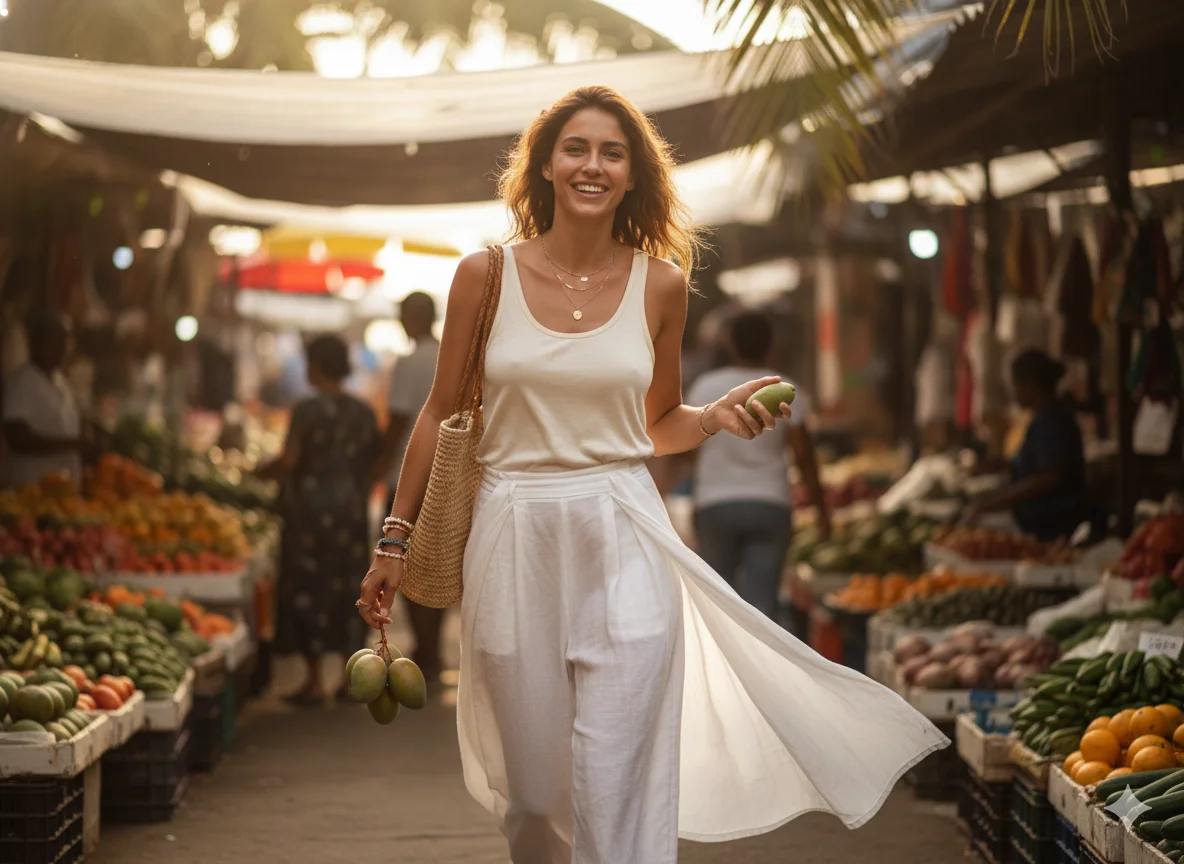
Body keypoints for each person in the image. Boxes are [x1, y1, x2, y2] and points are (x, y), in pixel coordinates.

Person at [356, 85, 948, 863]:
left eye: (612, 152)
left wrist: (712, 420)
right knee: (532, 797)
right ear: (544, 166)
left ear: (633, 176)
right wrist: (392, 541)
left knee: (617, 780)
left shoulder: (660, 283)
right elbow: (436, 413)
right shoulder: (484, 276)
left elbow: (656, 421)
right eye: (576, 148)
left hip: (622, 524)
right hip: (513, 525)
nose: (592, 165)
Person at [685, 310, 831, 623]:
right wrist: (822, 511)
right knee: (762, 606)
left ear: (730, 344)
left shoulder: (705, 387)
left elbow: (690, 448)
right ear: (772, 345)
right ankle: (761, 669)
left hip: (715, 505)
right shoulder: (785, 387)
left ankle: (721, 669)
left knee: (717, 603)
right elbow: (804, 456)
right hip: (770, 504)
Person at [259, 335, 378, 705]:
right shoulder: (363, 412)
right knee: (349, 587)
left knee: (309, 589)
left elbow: (289, 460)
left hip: (308, 513)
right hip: (350, 511)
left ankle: (314, 682)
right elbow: (374, 461)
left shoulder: (307, 410)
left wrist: (260, 473)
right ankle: (348, 678)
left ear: (318, 366)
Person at [373, 292, 444, 682]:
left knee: (407, 564)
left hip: (408, 474)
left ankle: (427, 651)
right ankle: (429, 649)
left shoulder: (409, 361)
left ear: (415, 318)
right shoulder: (448, 355)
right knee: (437, 564)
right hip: (443, 474)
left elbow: (401, 419)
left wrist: (380, 463)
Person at [965, 348, 1094, 540]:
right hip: (1038, 520)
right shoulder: (1042, 418)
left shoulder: (1053, 420)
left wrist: (994, 502)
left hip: (1054, 523)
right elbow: (1031, 464)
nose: (1013, 391)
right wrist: (991, 466)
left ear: (1030, 384)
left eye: (1015, 384)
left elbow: (1048, 477)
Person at [2, 312, 87, 489]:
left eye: (65, 341)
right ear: (36, 342)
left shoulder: (62, 383)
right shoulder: (23, 382)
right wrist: (72, 444)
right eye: (56, 340)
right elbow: (17, 437)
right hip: (30, 492)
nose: (63, 348)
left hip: (64, 496)